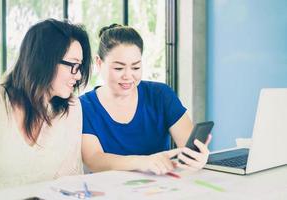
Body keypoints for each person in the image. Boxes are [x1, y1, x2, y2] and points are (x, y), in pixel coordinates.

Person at [80, 24, 211, 175]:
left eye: (135, 67)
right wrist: (144, 161)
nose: (128, 76)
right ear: (99, 63)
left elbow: (187, 148)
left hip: (160, 189)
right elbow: (94, 160)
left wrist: (198, 157)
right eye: (118, 68)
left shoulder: (160, 95)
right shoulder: (85, 106)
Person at [0, 18, 92, 188]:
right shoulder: (0, 105)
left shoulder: (71, 108)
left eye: (80, 67)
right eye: (73, 65)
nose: (78, 76)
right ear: (43, 60)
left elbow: (71, 181)